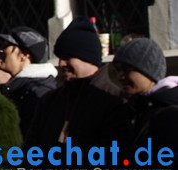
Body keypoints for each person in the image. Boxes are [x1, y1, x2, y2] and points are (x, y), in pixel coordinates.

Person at [26, 17, 126, 151]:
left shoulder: (114, 99)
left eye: (68, 57)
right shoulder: (49, 101)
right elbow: (31, 150)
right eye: (60, 57)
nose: (61, 64)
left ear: (88, 58)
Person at [112, 38, 178, 161]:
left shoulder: (170, 113)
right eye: (118, 69)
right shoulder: (136, 108)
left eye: (126, 69)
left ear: (149, 71)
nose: (120, 76)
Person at [0, 26, 57, 136]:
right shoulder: (18, 89)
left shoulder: (38, 93)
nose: (1, 50)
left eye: (7, 46)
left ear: (24, 56)